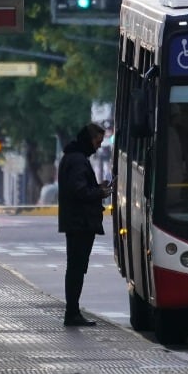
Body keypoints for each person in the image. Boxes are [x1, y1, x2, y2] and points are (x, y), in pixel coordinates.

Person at [57, 122, 112, 326]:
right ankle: (72, 313)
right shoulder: (78, 161)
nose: (98, 146)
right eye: (97, 141)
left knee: (75, 268)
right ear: (88, 139)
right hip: (81, 223)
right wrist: (100, 192)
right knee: (77, 269)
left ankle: (73, 311)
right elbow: (79, 191)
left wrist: (97, 187)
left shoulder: (72, 158)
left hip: (76, 221)